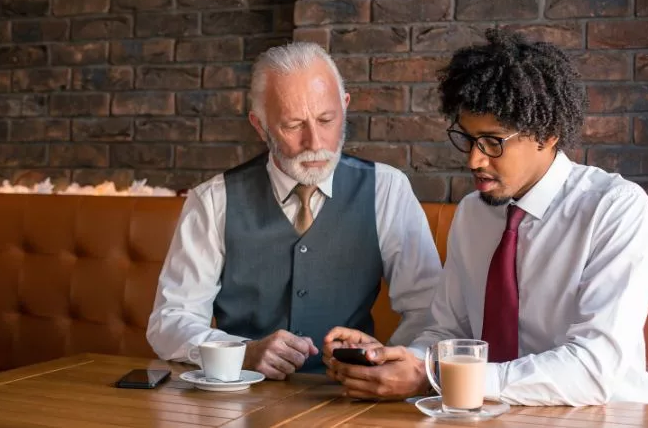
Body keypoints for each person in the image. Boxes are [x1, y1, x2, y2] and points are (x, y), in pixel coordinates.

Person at [323, 29, 648, 406]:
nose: (474, 160)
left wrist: (437, 377)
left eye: (493, 142)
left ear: (546, 134)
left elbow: (592, 369)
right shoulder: (473, 214)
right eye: (467, 139)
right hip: (485, 413)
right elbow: (447, 330)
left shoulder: (615, 209)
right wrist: (399, 360)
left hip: (605, 416)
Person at [146, 42, 442, 380]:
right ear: (260, 125)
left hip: (347, 398)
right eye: (293, 125)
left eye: (326, 119)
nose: (315, 143)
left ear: (344, 107)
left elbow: (430, 311)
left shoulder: (387, 189)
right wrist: (240, 353)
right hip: (241, 399)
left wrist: (390, 360)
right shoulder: (213, 200)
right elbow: (170, 320)